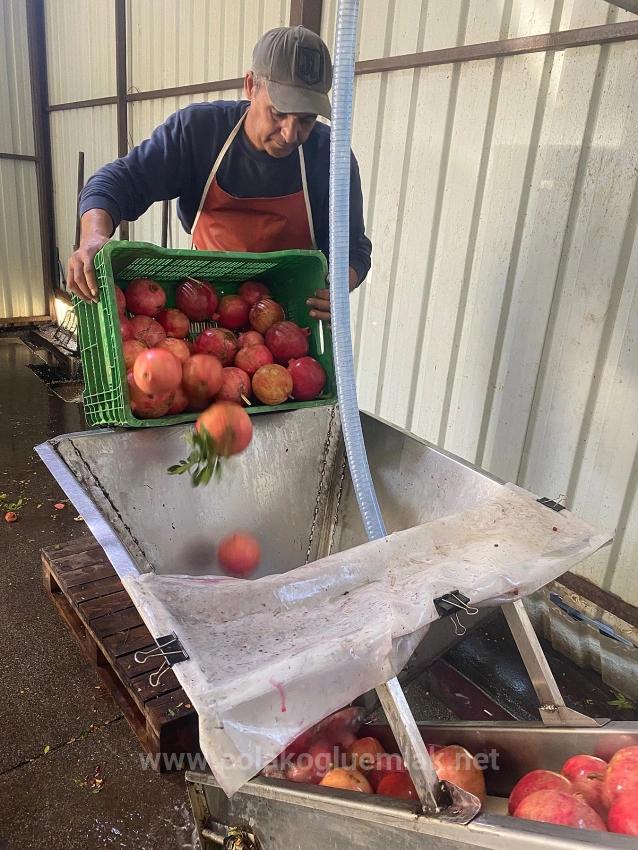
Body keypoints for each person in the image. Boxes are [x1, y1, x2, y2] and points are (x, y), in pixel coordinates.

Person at [68, 25, 372, 322]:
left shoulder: (331, 158)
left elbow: (354, 248)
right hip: (203, 307)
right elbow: (115, 183)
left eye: (306, 119)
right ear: (251, 85)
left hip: (288, 320)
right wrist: (93, 236)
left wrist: (341, 285)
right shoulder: (200, 132)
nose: (291, 134)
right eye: (279, 113)